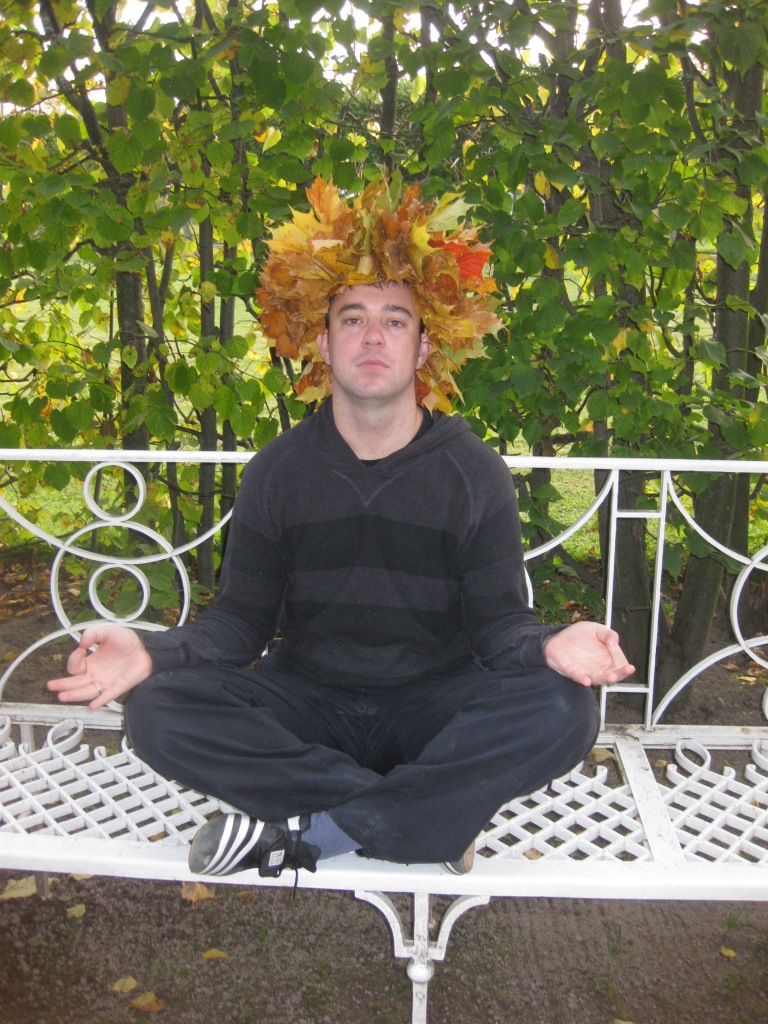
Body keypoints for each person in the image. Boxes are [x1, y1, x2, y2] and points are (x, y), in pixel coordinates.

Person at [48, 178, 634, 880]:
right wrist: (153, 652)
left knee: (565, 708)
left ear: (425, 346)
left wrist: (549, 644)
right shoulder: (278, 471)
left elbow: (499, 628)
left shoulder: (473, 472)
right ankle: (424, 819)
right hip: (307, 704)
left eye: (396, 320)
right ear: (323, 344)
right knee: (158, 711)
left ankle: (317, 831)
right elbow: (238, 626)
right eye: (352, 319)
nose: (373, 337)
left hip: (433, 710)